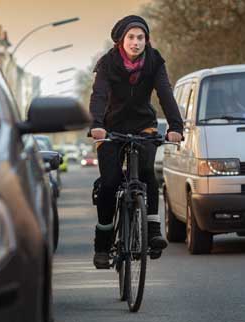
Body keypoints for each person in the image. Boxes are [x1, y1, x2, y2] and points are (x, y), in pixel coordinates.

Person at [89, 15, 184, 269]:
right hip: (110, 128)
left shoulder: (154, 61)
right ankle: (103, 242)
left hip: (144, 126)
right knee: (109, 183)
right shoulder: (108, 63)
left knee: (145, 172)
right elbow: (98, 95)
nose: (136, 42)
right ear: (121, 40)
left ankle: (152, 230)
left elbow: (165, 94)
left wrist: (176, 126)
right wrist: (96, 124)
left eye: (140, 37)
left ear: (146, 40)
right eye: (131, 37)